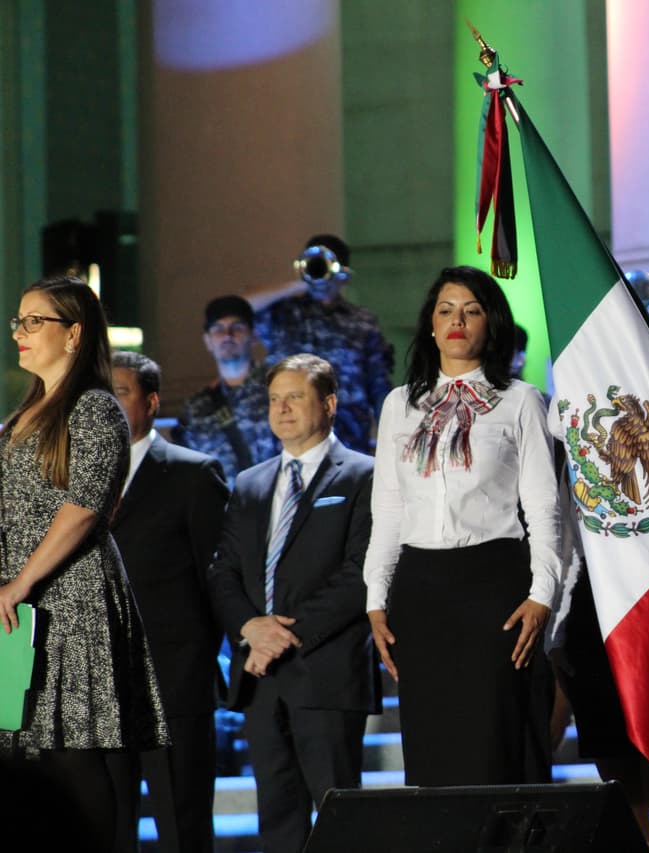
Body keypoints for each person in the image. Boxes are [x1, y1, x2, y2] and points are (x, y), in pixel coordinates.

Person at [363, 266, 559, 788]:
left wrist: (543, 594)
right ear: (430, 323)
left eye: (472, 310)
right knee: (431, 743)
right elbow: (388, 507)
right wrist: (375, 598)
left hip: (493, 584)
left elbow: (544, 506)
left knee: (495, 738)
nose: (458, 320)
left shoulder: (521, 400)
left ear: (490, 324)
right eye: (447, 309)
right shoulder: (399, 404)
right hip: (420, 590)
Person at [0, 275, 169, 851]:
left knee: (73, 751)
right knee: (28, 752)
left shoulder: (95, 409)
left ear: (73, 334)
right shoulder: (25, 413)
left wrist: (21, 582)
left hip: (70, 599)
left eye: (33, 321)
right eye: (17, 321)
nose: (19, 333)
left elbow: (83, 506)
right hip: (19, 608)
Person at [207, 354, 379, 853]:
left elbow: (362, 571)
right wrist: (249, 629)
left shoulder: (364, 475)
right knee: (277, 817)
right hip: (261, 680)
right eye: (274, 399)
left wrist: (281, 633)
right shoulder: (250, 483)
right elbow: (225, 572)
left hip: (325, 670)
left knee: (338, 817)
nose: (282, 409)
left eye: (295, 397)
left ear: (328, 404)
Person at [111, 350, 230, 853]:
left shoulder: (192, 474)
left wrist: (201, 661)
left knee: (182, 829)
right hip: (95, 690)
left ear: (151, 402)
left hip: (173, 687)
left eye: (120, 393)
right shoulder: (69, 478)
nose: (107, 406)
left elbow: (217, 579)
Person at [244, 234, 395, 454]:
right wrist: (298, 284)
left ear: (344, 275)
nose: (321, 277)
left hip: (347, 440)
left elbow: (379, 386)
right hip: (285, 443)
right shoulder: (282, 313)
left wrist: (389, 443)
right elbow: (243, 305)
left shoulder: (362, 322)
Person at [174, 295, 278, 487]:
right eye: (218, 329)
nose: (227, 335)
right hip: (222, 514)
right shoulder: (196, 408)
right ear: (207, 340)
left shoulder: (279, 392)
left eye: (237, 327)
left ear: (254, 336)